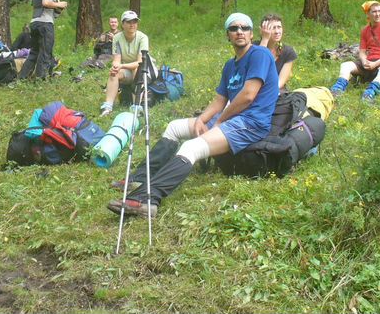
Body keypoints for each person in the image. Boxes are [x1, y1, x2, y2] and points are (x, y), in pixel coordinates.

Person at [107, 12, 279, 218]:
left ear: (251, 34)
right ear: (228, 35)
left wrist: (220, 121)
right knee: (174, 127)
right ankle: (140, 178)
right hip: (233, 118)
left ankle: (147, 200)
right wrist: (202, 120)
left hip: (251, 123)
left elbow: (249, 95)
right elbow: (219, 100)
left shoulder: (260, 54)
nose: (239, 32)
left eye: (244, 28)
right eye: (234, 28)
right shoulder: (230, 65)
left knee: (191, 147)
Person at [330, 0, 380, 101]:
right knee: (345, 65)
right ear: (368, 14)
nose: (378, 14)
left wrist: (375, 64)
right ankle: (337, 90)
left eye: (379, 11)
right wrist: (364, 61)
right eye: (374, 12)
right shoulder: (365, 30)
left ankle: (369, 93)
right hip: (369, 61)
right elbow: (362, 51)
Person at [18, 0, 68, 80]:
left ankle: (21, 78)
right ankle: (41, 79)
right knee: (46, 52)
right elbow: (45, 2)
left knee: (34, 53)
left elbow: (43, 7)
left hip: (35, 23)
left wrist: (58, 9)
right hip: (45, 24)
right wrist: (60, 5)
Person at [99, 10, 149, 116]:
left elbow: (141, 62)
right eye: (129, 22)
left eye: (135, 21)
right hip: (127, 69)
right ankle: (108, 106)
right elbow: (116, 59)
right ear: (123, 24)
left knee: (137, 70)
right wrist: (116, 67)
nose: (132, 24)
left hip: (144, 70)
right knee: (114, 72)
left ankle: (137, 106)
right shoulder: (117, 38)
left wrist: (121, 65)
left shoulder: (143, 38)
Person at [257, 13, 297, 92]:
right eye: (272, 28)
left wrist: (267, 93)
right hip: (254, 89)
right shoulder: (254, 47)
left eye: (279, 27)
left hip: (276, 91)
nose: (277, 31)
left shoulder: (288, 51)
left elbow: (281, 82)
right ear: (262, 30)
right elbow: (257, 66)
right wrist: (264, 40)